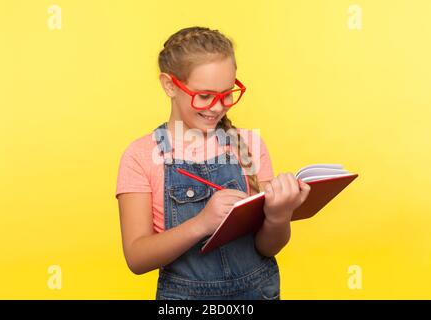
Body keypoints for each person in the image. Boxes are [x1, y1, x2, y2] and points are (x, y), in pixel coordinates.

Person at [115, 26, 311, 300]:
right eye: (205, 96)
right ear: (170, 85)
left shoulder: (250, 146)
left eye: (227, 94)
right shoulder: (140, 156)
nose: (218, 107)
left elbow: (267, 248)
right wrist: (202, 223)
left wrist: (279, 216)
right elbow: (137, 258)